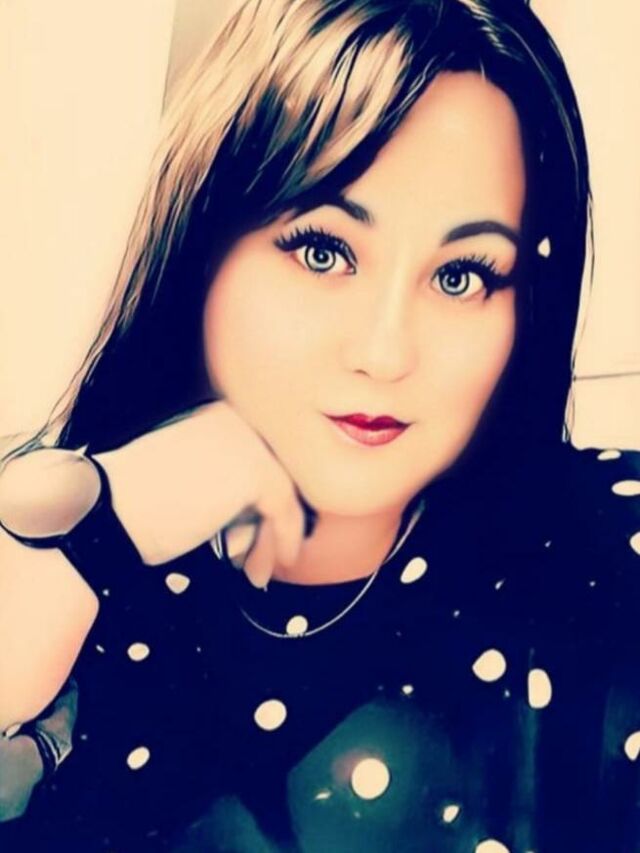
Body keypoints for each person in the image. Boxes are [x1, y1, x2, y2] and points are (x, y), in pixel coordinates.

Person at [1, 0, 639, 850]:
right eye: (324, 250)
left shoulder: (603, 553)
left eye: (461, 275)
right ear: (204, 242)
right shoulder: (75, 556)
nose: (384, 351)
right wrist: (92, 522)